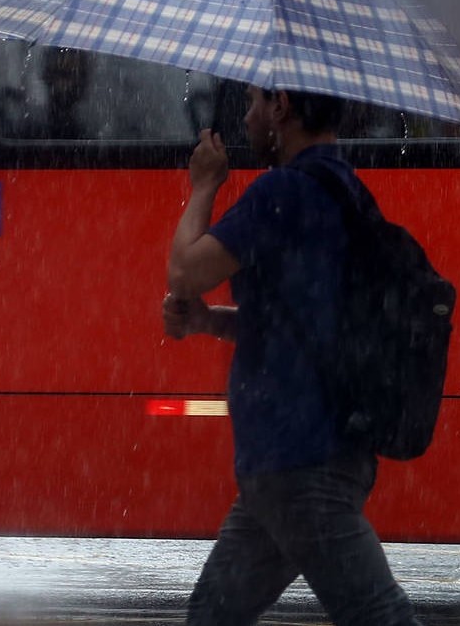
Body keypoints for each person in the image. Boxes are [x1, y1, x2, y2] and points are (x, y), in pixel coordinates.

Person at [162, 84, 422, 626]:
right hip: (304, 458)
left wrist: (204, 185)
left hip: (299, 460)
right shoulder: (345, 190)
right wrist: (210, 321)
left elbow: (185, 271)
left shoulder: (284, 191)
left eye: (255, 102)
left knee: (379, 615)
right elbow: (299, 325)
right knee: (212, 615)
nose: (248, 117)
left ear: (282, 108)